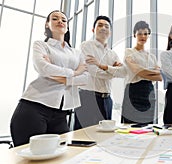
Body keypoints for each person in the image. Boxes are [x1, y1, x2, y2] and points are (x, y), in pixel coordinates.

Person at [10, 10, 88, 146]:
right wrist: (75, 72)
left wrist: (63, 77)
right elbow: (43, 68)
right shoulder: (41, 45)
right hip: (34, 108)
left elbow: (86, 78)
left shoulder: (77, 53)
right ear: (47, 24)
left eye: (64, 20)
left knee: (60, 158)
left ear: (67, 27)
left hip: (61, 113)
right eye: (55, 19)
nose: (60, 21)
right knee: (28, 162)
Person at [73, 16, 126, 130]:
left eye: (106, 26)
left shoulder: (112, 54)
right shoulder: (86, 46)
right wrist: (112, 71)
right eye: (100, 25)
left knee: (103, 138)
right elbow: (93, 71)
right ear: (93, 30)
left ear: (110, 32)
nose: (103, 28)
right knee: (83, 137)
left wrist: (101, 66)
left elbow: (123, 73)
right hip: (88, 97)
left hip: (107, 100)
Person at [121, 21, 162, 124]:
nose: (142, 36)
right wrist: (153, 72)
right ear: (134, 35)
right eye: (139, 33)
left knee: (148, 128)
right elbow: (136, 70)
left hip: (149, 93)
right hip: (133, 91)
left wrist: (142, 71)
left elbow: (160, 77)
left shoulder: (152, 57)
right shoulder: (129, 52)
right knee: (130, 127)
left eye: (145, 34)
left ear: (148, 36)